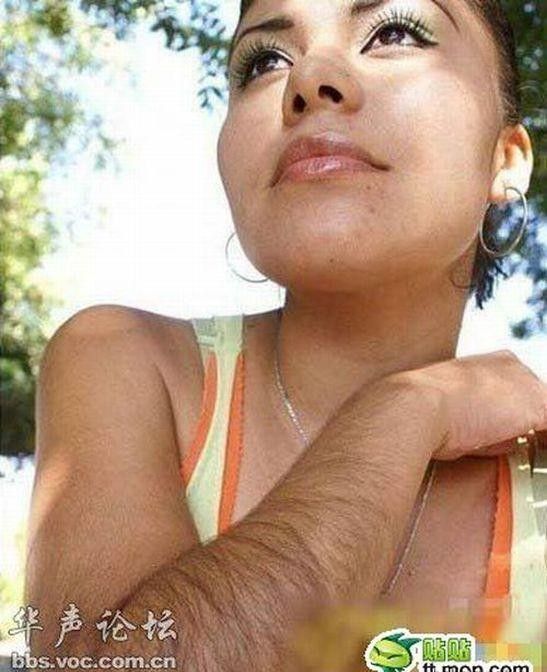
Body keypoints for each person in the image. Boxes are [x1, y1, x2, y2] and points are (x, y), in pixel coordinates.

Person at [25, 0, 546, 669]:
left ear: (506, 159)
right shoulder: (121, 360)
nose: (309, 79)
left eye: (393, 32)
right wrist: (406, 411)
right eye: (264, 62)